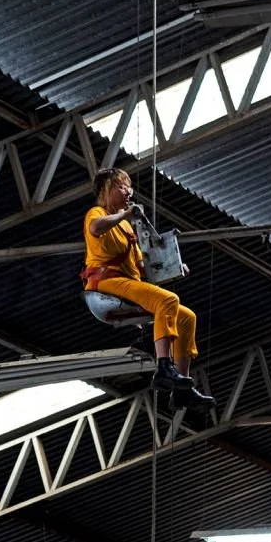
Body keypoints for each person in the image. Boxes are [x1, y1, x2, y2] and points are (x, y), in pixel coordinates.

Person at [81, 168, 214, 408]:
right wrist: (125, 215)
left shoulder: (128, 228)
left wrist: (173, 266)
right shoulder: (97, 213)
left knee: (186, 318)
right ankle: (164, 367)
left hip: (129, 283)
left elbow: (142, 267)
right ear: (106, 190)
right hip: (106, 282)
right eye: (120, 186)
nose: (127, 191)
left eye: (128, 186)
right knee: (168, 300)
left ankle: (182, 387)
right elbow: (96, 228)